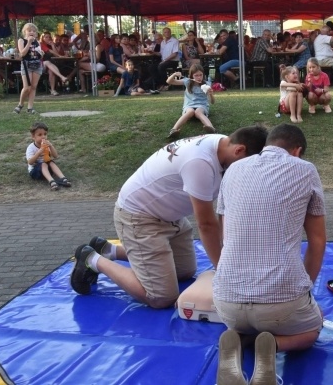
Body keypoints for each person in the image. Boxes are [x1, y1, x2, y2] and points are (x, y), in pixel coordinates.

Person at [69, 126, 268, 306]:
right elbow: (207, 225)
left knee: (184, 271)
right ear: (239, 150)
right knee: (160, 296)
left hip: (169, 216)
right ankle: (92, 259)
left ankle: (108, 250)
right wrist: (224, 271)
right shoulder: (200, 162)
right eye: (247, 164)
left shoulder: (224, 145)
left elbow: (223, 212)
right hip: (139, 217)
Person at [214, 124, 326, 385]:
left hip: (227, 302)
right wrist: (304, 289)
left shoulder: (233, 170)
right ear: (296, 151)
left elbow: (224, 235)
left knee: (244, 321)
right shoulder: (305, 169)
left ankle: (241, 340)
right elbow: (317, 241)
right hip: (281, 303)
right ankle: (273, 345)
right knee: (313, 327)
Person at [166, 63, 216, 137]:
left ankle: (211, 128)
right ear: (191, 76)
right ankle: (174, 130)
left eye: (200, 75)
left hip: (202, 106)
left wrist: (211, 94)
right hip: (189, 105)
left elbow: (212, 102)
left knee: (198, 112)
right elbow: (169, 81)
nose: (199, 77)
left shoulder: (207, 84)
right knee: (191, 111)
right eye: (196, 75)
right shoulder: (188, 82)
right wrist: (174, 74)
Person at [26, 122, 72, 191]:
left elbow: (56, 156)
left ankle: (63, 178)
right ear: (33, 137)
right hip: (35, 172)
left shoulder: (46, 145)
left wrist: (51, 146)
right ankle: (52, 182)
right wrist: (38, 152)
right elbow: (30, 162)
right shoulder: (31, 147)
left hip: (48, 170)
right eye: (40, 135)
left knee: (51, 162)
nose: (43, 136)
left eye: (45, 134)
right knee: (43, 164)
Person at [14, 24, 43, 114]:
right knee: (27, 87)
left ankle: (30, 108)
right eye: (29, 30)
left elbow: (39, 54)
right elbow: (22, 53)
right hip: (26, 65)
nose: (32, 32)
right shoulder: (21, 40)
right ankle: (20, 104)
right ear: (25, 32)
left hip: (37, 65)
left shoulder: (37, 42)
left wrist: (41, 54)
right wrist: (29, 43)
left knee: (33, 87)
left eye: (34, 31)